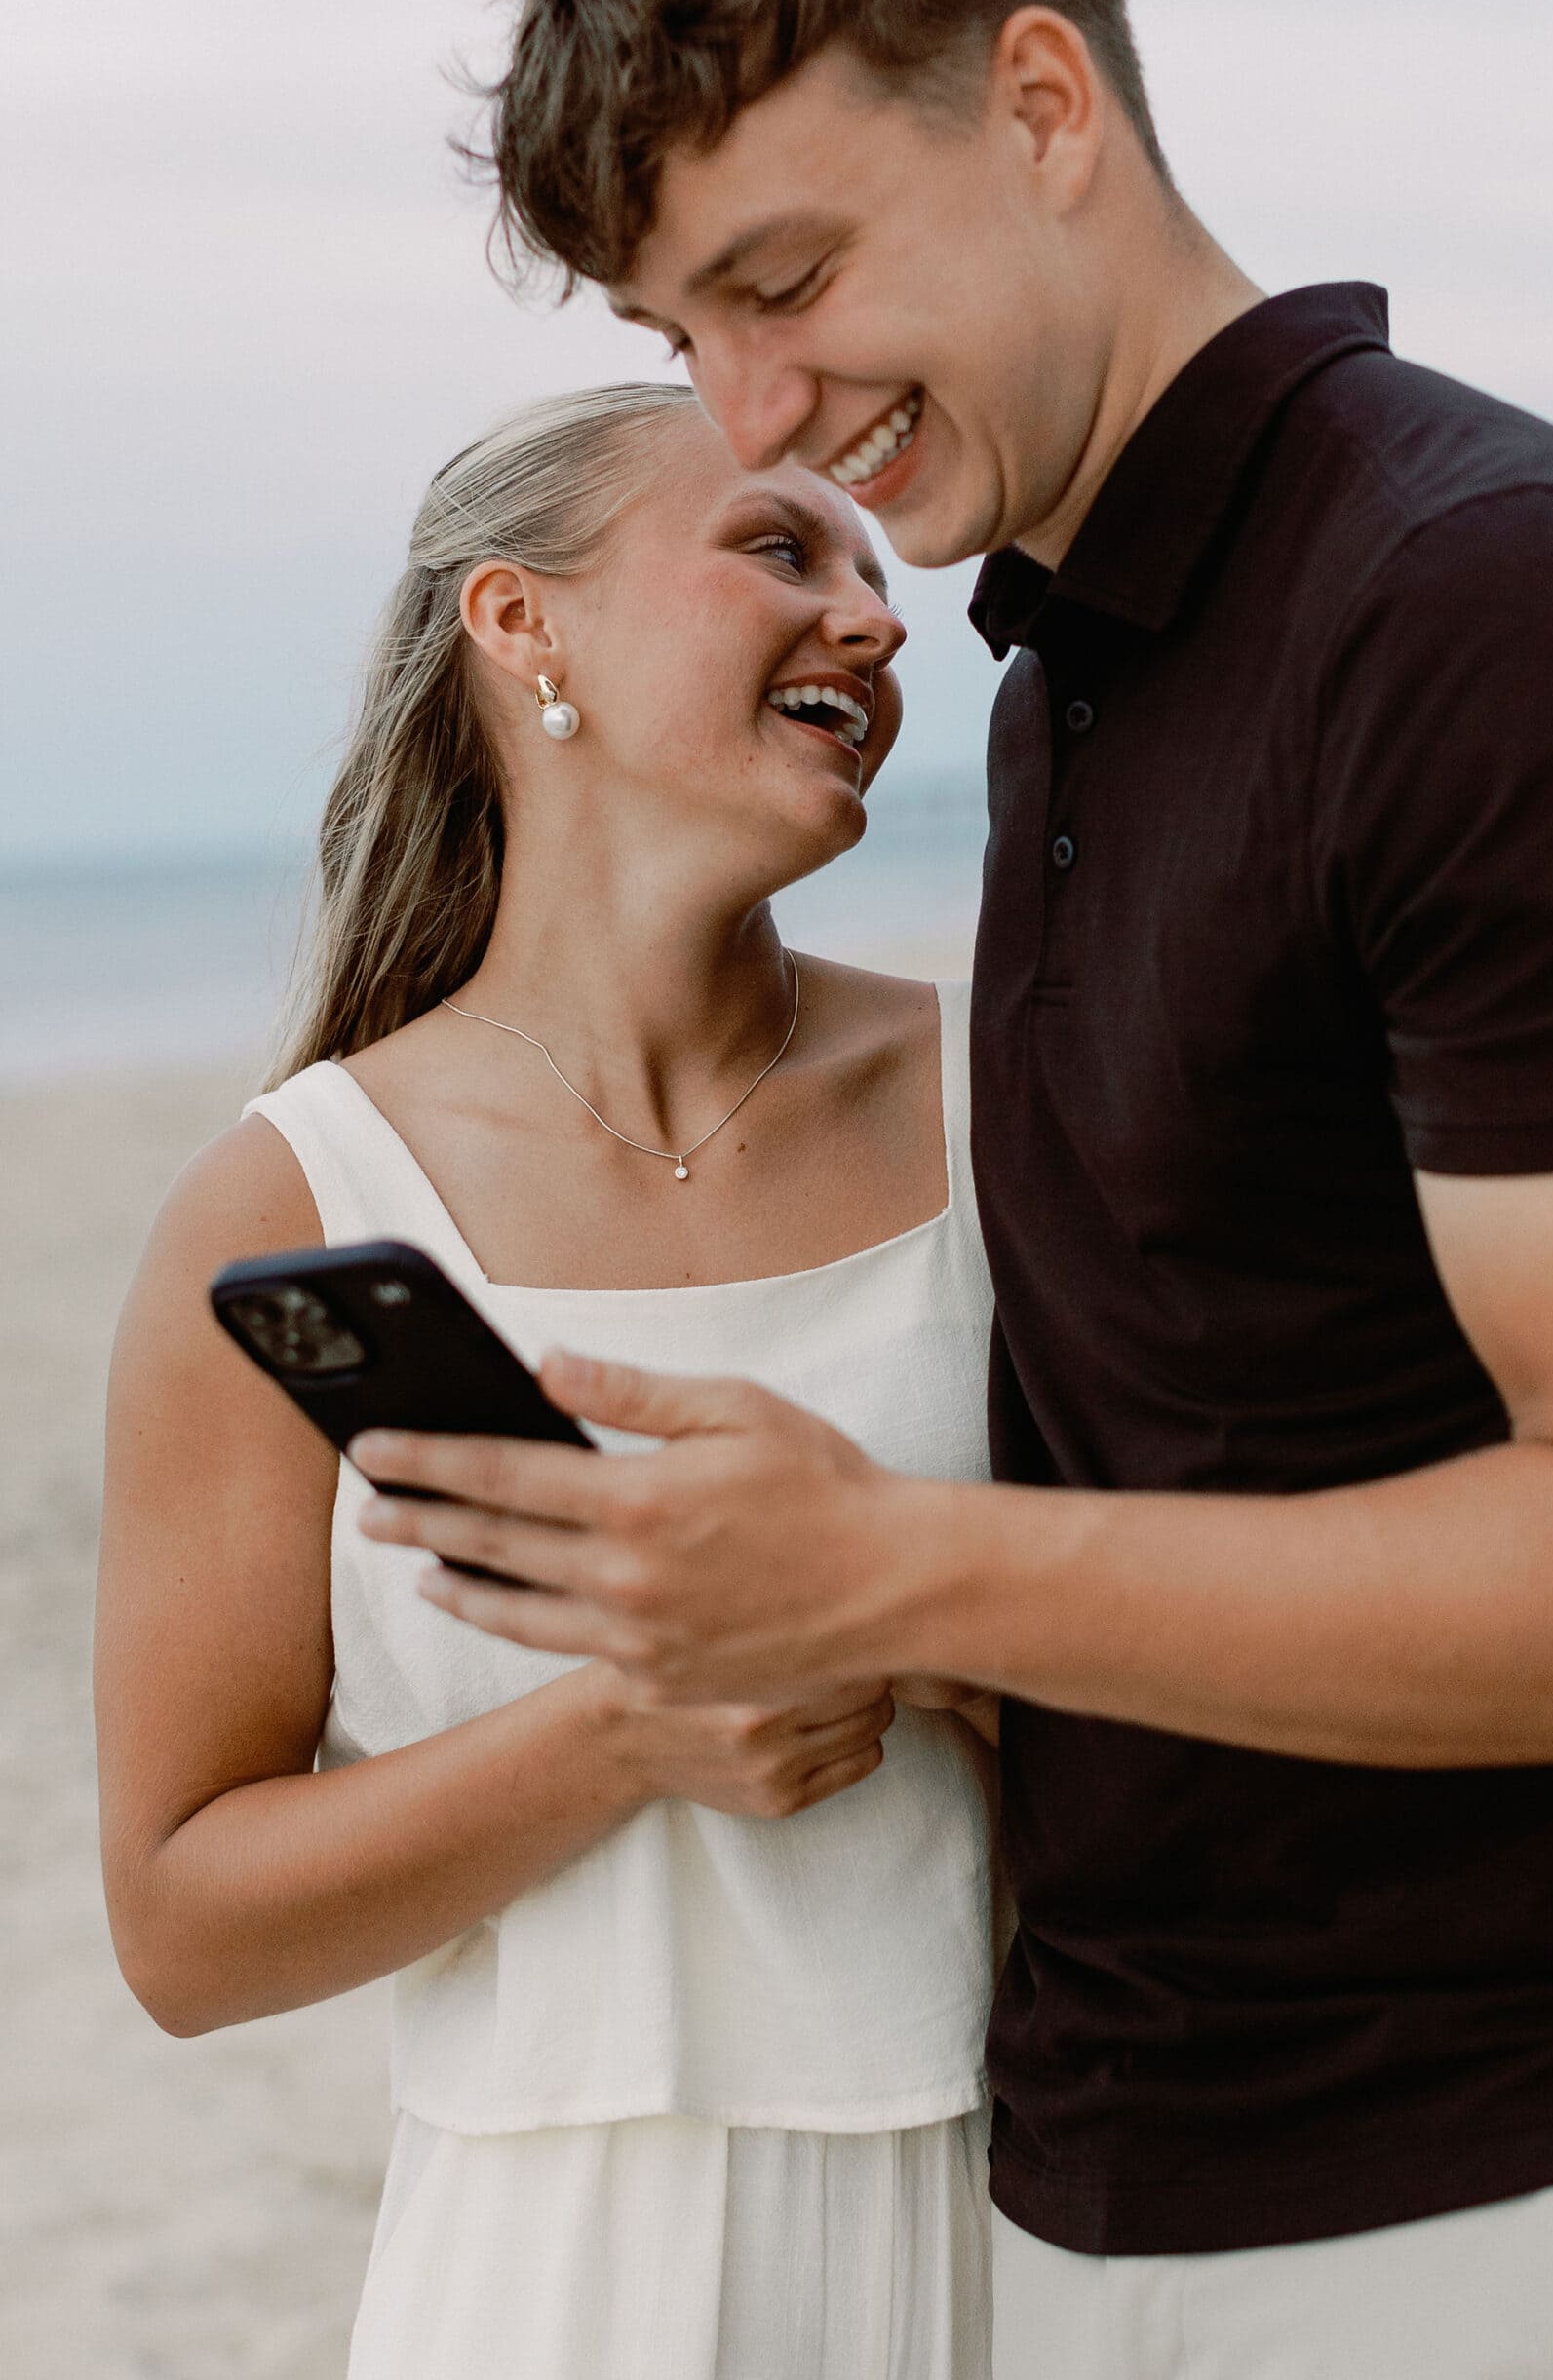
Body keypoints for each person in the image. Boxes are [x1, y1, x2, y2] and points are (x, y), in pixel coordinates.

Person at [354, 0, 1553, 2375]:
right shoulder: (1066, 681)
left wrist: (887, 1569)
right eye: (678, 341)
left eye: (788, 274)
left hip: (1471, 2191)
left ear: (1045, 110)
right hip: (1108, 2187)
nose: (753, 408)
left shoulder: (1476, 606)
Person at [95, 383, 1006, 2380]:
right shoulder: (295, 1208)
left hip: (1041, 2222)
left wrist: (930, 1614)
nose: (873, 616)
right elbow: (181, 1925)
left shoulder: (1007, 1101)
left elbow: (1237, 1665)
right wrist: (628, 1731)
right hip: (564, 2276)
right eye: (781, 548)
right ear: (525, 626)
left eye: (874, 566)